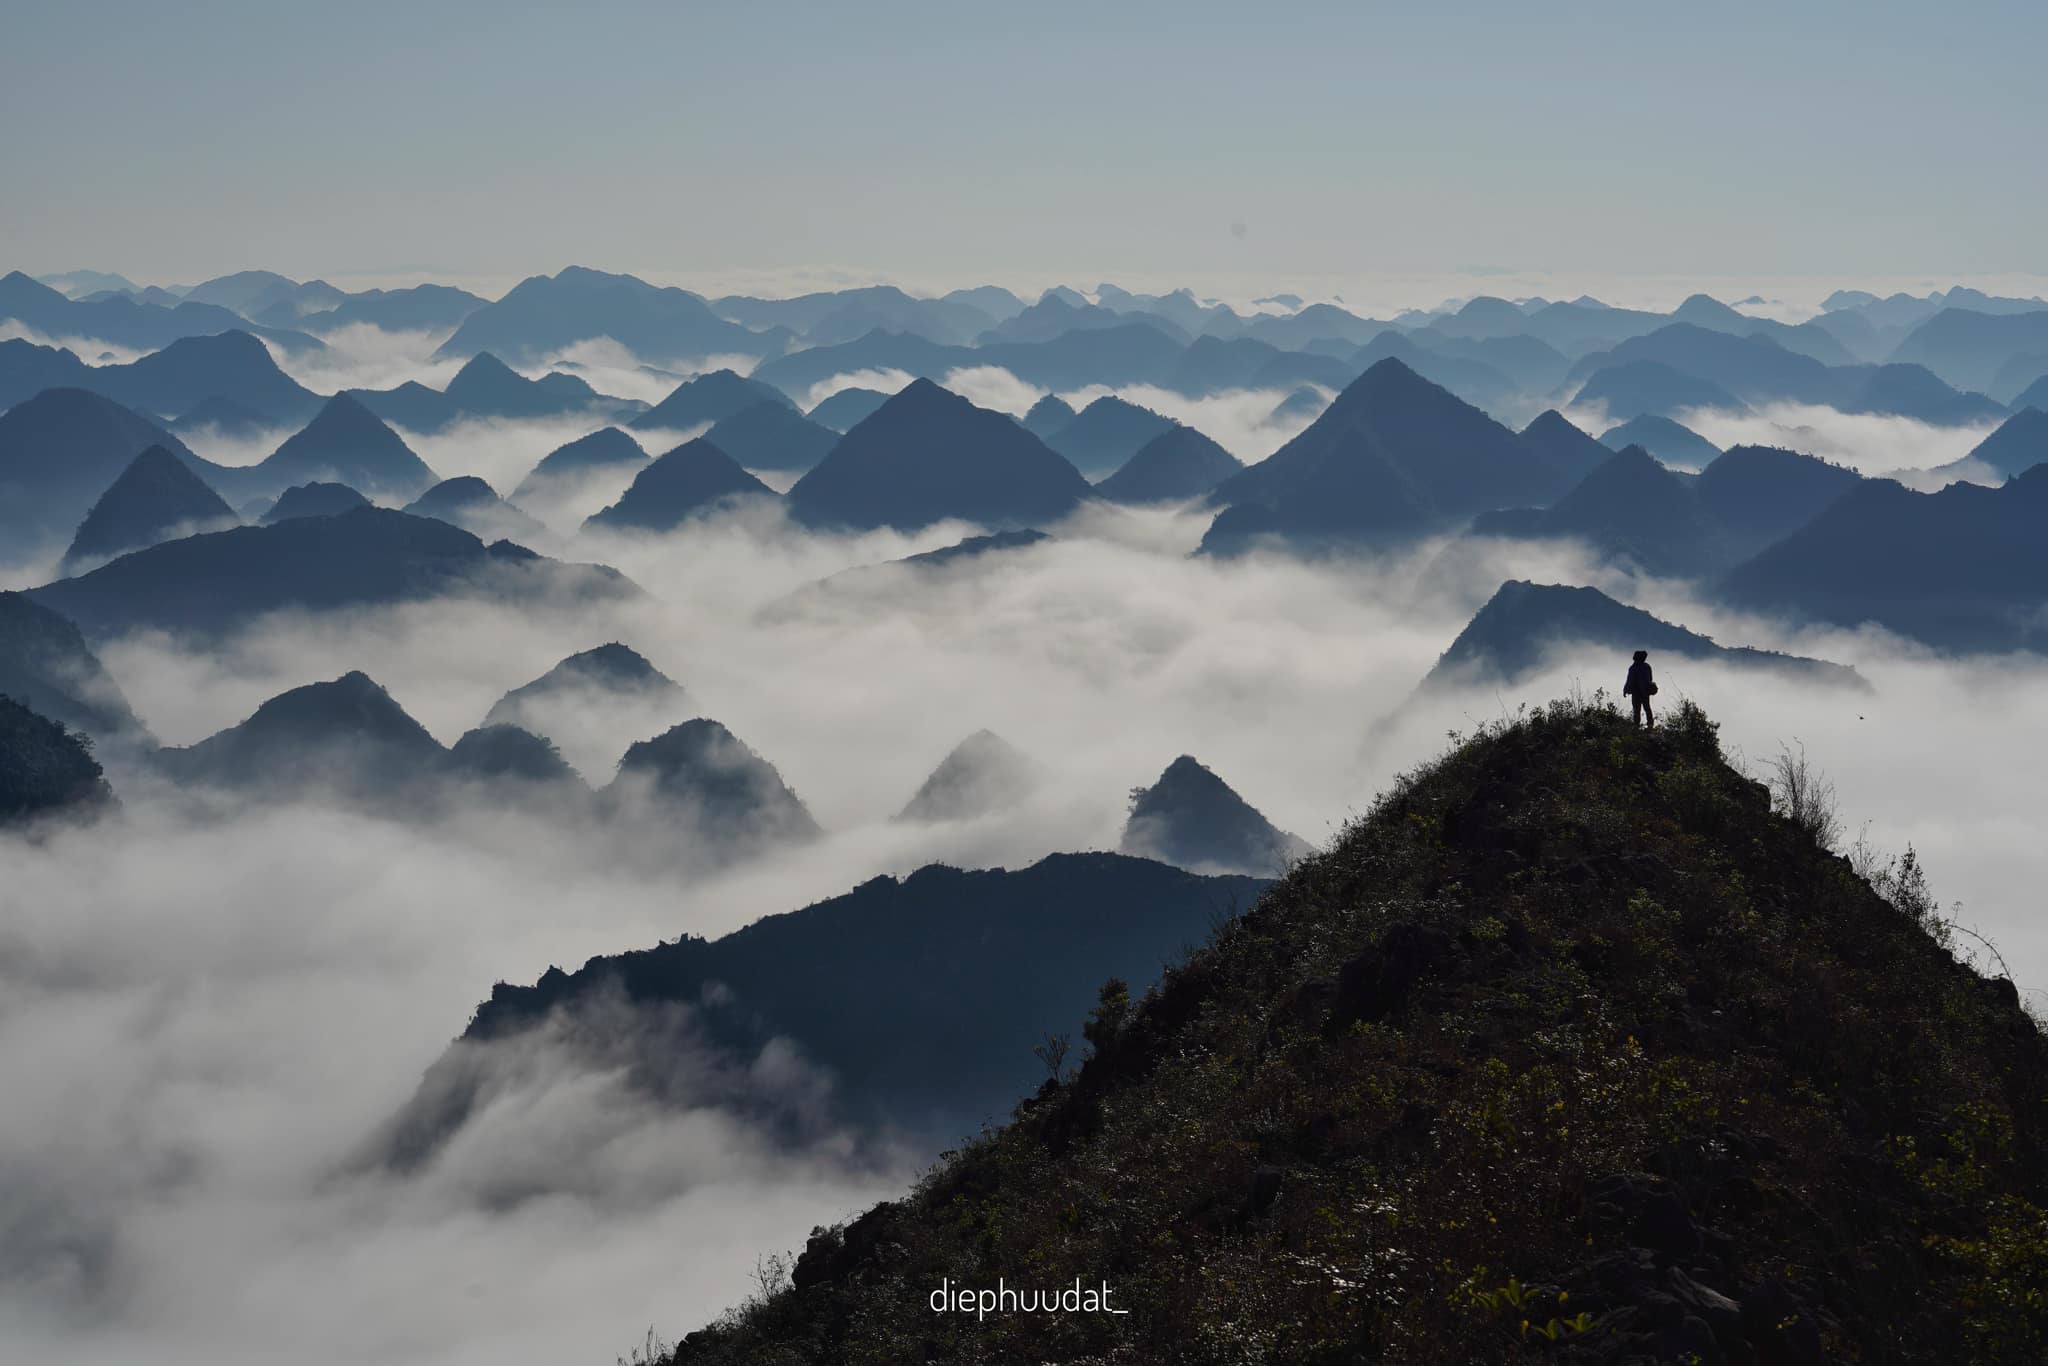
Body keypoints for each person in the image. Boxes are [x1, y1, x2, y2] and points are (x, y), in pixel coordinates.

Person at [1623, 650, 1657, 728]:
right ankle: (1647, 725)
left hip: (1638, 692)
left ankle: (1638, 726)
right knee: (1644, 709)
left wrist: (1626, 689)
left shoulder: (1634, 667)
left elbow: (1629, 680)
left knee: (1639, 709)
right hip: (1642, 691)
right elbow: (1650, 679)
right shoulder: (1645, 667)